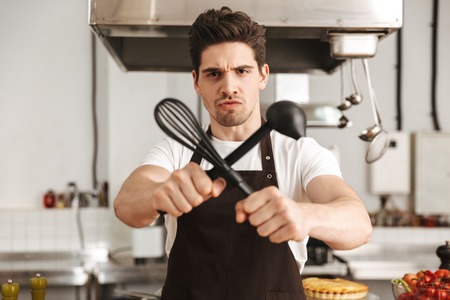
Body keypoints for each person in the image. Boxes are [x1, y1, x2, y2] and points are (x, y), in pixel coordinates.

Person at [114, 6, 372, 300]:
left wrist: (304, 215)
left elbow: (359, 225)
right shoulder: (176, 151)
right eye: (214, 74)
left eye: (241, 71)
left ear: (262, 75)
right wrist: (157, 194)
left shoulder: (298, 153)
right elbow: (126, 204)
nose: (229, 87)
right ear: (197, 82)